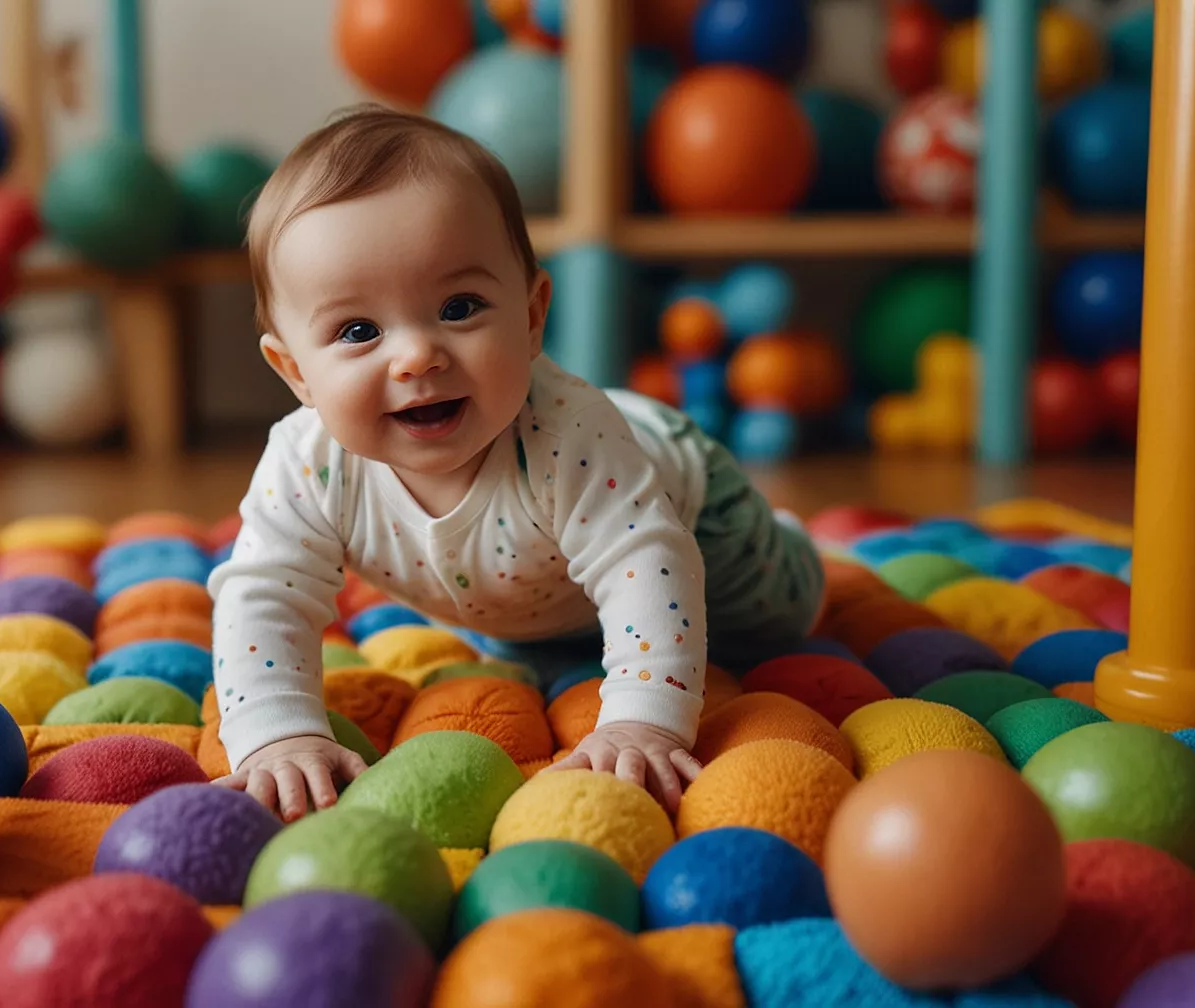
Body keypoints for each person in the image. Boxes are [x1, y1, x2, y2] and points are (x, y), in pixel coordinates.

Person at [209, 105, 823, 821]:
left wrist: (641, 719)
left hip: (689, 515)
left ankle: (795, 545)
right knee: (533, 645)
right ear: (295, 374)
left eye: (460, 306)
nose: (416, 355)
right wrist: (276, 738)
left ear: (533, 317)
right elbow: (263, 598)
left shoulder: (567, 436)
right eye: (358, 330)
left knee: (777, 623)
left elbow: (642, 563)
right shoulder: (307, 466)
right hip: (526, 581)